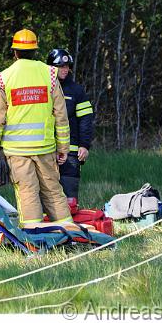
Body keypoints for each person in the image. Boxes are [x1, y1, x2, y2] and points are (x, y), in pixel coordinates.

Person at [0, 29, 73, 227]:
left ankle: (33, 238)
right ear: (35, 51)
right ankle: (70, 233)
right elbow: (61, 115)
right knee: (53, 190)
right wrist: (63, 148)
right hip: (46, 147)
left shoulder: (3, 79)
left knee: (27, 193)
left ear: (15, 52)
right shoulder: (49, 75)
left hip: (17, 152)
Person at [47, 49, 94, 206]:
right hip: (45, 150)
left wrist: (84, 145)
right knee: (46, 196)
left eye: (67, 66)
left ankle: (71, 228)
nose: (65, 70)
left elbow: (86, 120)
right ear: (50, 67)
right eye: (60, 66)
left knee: (70, 198)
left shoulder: (77, 91)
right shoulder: (42, 89)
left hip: (71, 152)